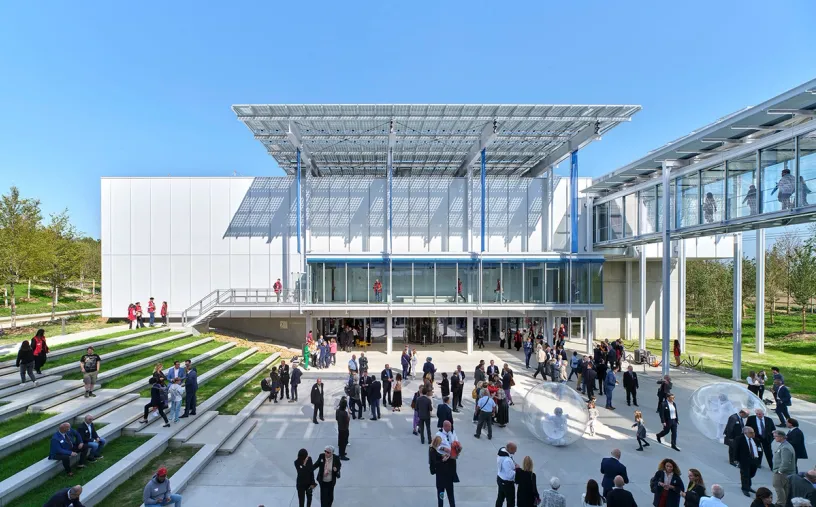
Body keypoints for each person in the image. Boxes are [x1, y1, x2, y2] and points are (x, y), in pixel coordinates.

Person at [429, 435, 459, 507]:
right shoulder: (433, 451)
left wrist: (441, 456)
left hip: (440, 481)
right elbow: (436, 462)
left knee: (441, 497)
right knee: (450, 497)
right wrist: (443, 460)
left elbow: (435, 459)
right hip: (447, 481)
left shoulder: (432, 450)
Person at [772, 430, 796, 507]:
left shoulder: (785, 447)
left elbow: (785, 462)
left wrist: (780, 471)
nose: (774, 437)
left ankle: (780, 503)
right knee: (785, 488)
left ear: (781, 437)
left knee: (778, 486)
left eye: (775, 436)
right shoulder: (784, 445)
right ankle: (785, 503)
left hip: (782, 472)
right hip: (785, 472)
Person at [735, 426, 760, 497]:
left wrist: (758, 460)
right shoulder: (740, 439)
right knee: (745, 474)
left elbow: (759, 450)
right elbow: (736, 449)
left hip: (754, 460)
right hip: (744, 460)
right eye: (751, 433)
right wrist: (736, 459)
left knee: (751, 474)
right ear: (745, 433)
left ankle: (748, 486)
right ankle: (745, 488)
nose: (753, 434)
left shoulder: (755, 440)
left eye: (753, 432)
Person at [495, 443, 519, 507]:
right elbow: (510, 475)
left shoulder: (502, 453)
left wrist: (514, 465)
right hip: (507, 483)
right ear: (510, 449)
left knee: (500, 498)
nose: (515, 452)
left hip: (500, 478)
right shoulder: (507, 460)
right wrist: (516, 470)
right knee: (510, 501)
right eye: (514, 450)